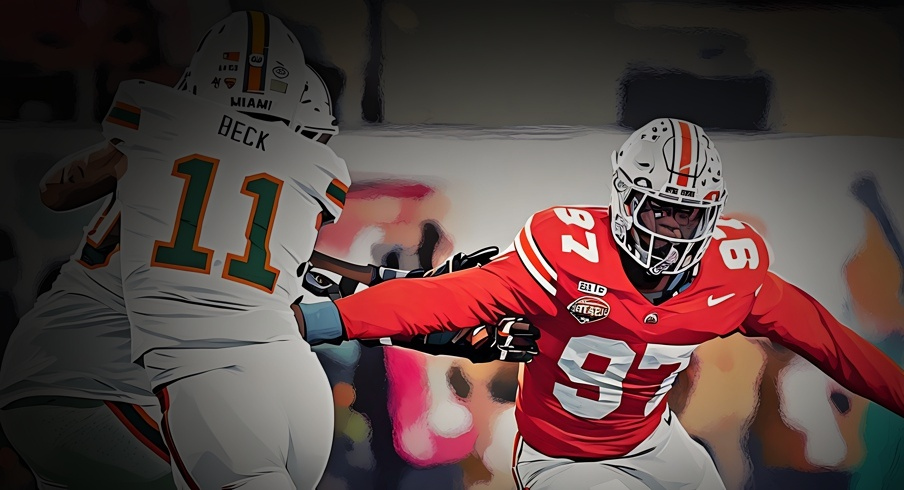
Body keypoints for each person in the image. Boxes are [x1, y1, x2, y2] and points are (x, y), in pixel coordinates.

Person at [296, 117, 904, 490]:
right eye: (658, 206)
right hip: (564, 458)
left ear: (711, 214)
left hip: (656, 443)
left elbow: (827, 338)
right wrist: (327, 318)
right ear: (623, 197)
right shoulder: (566, 251)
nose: (671, 227)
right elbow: (445, 300)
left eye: (687, 212)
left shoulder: (732, 272)